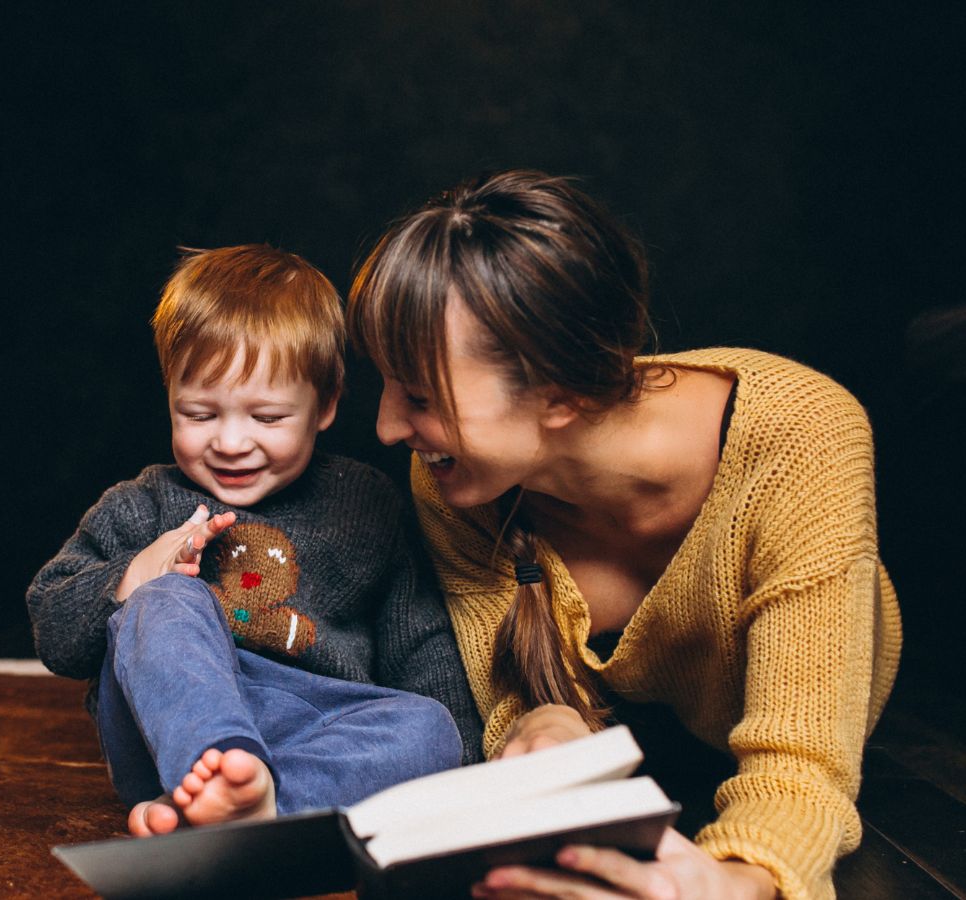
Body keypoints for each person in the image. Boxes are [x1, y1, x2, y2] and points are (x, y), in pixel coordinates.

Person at [346, 171, 901, 900]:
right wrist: (547, 732)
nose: (387, 428)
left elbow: (802, 763)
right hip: (648, 768)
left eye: (419, 396)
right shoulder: (456, 483)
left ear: (562, 395)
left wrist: (737, 883)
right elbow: (517, 689)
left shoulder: (802, 435)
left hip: (803, 745)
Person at [27, 244, 482, 837]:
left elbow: (420, 641)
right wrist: (131, 577)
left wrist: (464, 764)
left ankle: (256, 807)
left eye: (266, 418)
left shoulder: (367, 504)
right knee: (168, 599)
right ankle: (218, 770)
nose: (232, 442)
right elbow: (54, 629)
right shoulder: (144, 503)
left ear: (326, 405)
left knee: (430, 726)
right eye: (198, 414)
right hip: (169, 732)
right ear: (169, 396)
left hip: (317, 726)